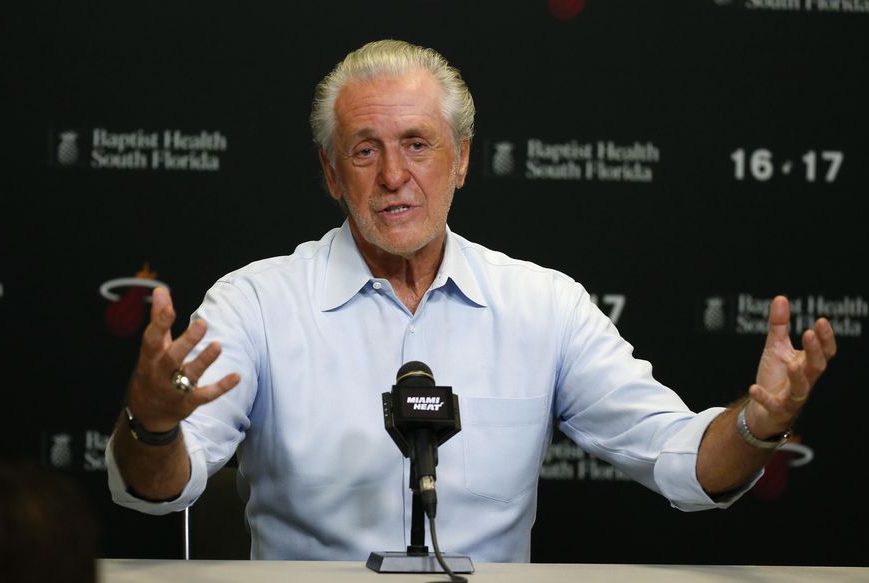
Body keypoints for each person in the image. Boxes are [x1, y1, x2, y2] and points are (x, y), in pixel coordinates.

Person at [106, 40, 837, 562]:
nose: (395, 175)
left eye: (418, 144)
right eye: (365, 149)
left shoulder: (543, 305)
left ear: (461, 161)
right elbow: (157, 489)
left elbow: (683, 462)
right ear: (332, 174)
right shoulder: (256, 303)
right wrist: (152, 426)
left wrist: (757, 425)